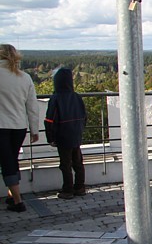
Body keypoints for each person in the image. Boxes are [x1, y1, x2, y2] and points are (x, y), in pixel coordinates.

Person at [0, 44, 41, 213]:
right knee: (12, 160)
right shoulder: (24, 77)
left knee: (7, 162)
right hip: (19, 127)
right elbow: (32, 106)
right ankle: (12, 195)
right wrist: (35, 129)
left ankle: (18, 201)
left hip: (1, 126)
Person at [45, 66, 87, 199]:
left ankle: (68, 190)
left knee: (65, 164)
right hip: (76, 134)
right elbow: (84, 116)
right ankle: (80, 187)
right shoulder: (77, 97)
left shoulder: (55, 98)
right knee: (78, 162)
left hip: (63, 135)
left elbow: (50, 119)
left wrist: (50, 137)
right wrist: (80, 130)